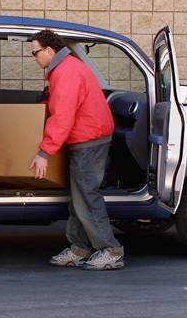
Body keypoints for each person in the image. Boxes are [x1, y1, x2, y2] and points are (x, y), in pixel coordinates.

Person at [28, 29, 124, 271]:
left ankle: (111, 251)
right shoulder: (66, 68)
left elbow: (63, 116)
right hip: (89, 137)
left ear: (49, 51)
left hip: (88, 141)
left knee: (88, 198)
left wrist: (44, 153)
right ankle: (80, 248)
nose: (33, 58)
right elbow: (61, 105)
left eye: (35, 52)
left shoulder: (66, 73)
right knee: (80, 198)